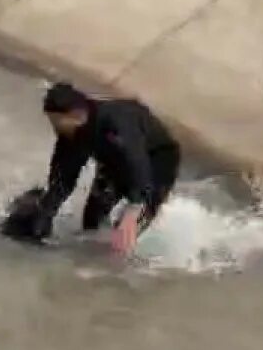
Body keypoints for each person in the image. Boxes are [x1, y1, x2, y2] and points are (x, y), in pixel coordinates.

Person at [31, 83, 181, 256]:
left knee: (124, 234)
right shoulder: (71, 135)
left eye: (56, 122)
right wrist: (43, 215)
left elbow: (137, 162)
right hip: (114, 163)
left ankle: (123, 268)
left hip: (156, 162)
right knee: (91, 222)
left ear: (76, 115)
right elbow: (62, 181)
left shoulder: (114, 122)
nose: (54, 128)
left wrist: (133, 210)